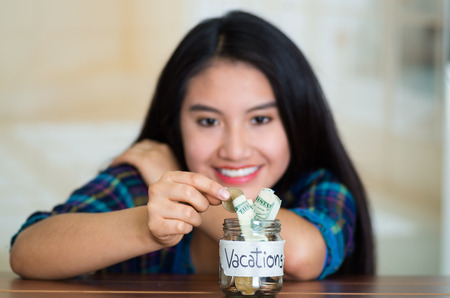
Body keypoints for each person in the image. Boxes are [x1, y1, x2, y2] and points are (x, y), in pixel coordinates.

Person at [10, 10, 375, 281]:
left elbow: (297, 254)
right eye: (208, 121)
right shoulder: (147, 182)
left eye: (260, 120)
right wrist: (149, 227)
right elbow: (27, 252)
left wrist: (189, 203)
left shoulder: (318, 187)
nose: (234, 149)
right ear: (175, 123)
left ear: (298, 119)